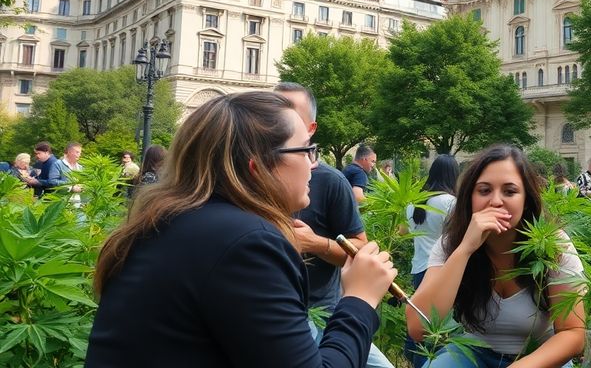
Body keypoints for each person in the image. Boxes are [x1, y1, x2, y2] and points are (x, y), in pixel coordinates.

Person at [86, 91, 397, 367]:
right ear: (258, 167)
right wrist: (359, 298)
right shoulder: (248, 243)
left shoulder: (164, 220)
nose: (313, 164)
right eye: (305, 150)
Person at [407, 145, 586, 367]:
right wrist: (465, 250)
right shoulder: (451, 244)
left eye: (510, 191)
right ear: (469, 197)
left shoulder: (554, 245)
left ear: (526, 199)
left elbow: (573, 332)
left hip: (539, 356)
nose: (496, 201)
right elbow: (418, 328)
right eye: (484, 190)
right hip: (471, 354)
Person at [274, 83, 394, 368]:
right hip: (279, 313)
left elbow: (360, 247)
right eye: (272, 109)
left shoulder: (331, 181)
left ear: (311, 130)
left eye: (288, 112)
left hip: (322, 311)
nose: (276, 120)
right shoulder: (247, 181)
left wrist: (314, 243)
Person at [405, 154, 461, 368]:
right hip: (442, 271)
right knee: (440, 328)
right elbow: (456, 239)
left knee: (421, 324)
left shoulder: (413, 202)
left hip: (418, 268)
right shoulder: (451, 203)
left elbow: (403, 231)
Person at [58, 142, 85, 206]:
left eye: (80, 153)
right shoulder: (60, 165)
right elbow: (55, 183)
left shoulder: (80, 167)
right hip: (62, 200)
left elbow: (83, 182)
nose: (79, 155)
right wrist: (71, 188)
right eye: (77, 152)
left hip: (76, 200)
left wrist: (83, 186)